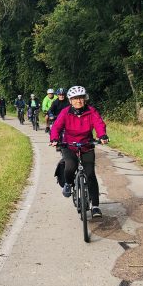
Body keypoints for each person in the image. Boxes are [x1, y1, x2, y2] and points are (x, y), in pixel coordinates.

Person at [49, 86, 109, 218]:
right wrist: (54, 139)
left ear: (85, 99)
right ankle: (69, 184)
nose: (78, 101)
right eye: (75, 99)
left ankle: (95, 206)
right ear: (70, 100)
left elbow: (99, 123)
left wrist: (102, 135)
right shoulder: (65, 112)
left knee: (90, 174)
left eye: (81, 98)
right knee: (70, 166)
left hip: (87, 145)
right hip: (69, 145)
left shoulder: (91, 111)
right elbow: (57, 127)